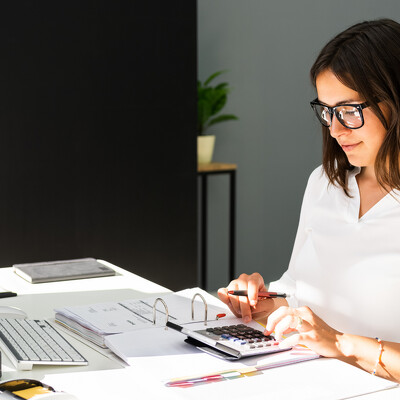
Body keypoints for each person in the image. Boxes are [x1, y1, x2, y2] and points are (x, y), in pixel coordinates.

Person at [218, 18, 400, 383]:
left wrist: (342, 343)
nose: (334, 129)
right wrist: (265, 303)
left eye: (349, 110)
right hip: (309, 380)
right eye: (327, 111)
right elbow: (301, 296)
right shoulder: (324, 185)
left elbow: (332, 338)